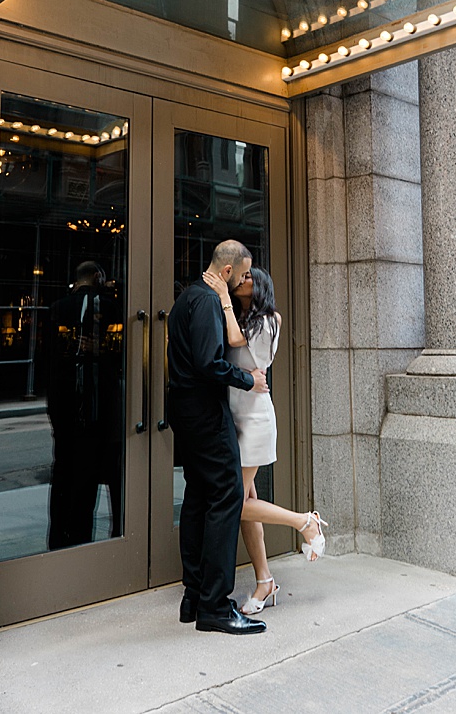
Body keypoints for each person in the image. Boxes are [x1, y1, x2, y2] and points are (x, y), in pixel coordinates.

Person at [203, 265, 327, 615]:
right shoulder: (241, 318)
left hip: (255, 420)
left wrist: (223, 296)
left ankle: (304, 521)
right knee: (245, 505)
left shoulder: (270, 320)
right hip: (235, 417)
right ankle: (265, 581)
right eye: (239, 277)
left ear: (260, 287)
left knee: (234, 503)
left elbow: (236, 343)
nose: (241, 281)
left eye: (247, 278)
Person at [167, 239, 270, 635]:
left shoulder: (185, 298)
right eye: (242, 275)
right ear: (227, 271)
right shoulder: (209, 301)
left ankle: (193, 597)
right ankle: (215, 606)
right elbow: (209, 362)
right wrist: (247, 379)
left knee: (197, 496)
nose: (245, 281)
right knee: (227, 495)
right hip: (206, 412)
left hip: (184, 411)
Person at [46, 261, 124, 550]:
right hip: (98, 409)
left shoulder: (57, 308)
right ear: (97, 276)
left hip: (64, 406)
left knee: (63, 476)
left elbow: (47, 359)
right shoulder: (110, 307)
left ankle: (59, 540)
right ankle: (84, 543)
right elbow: (118, 355)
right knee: (88, 480)